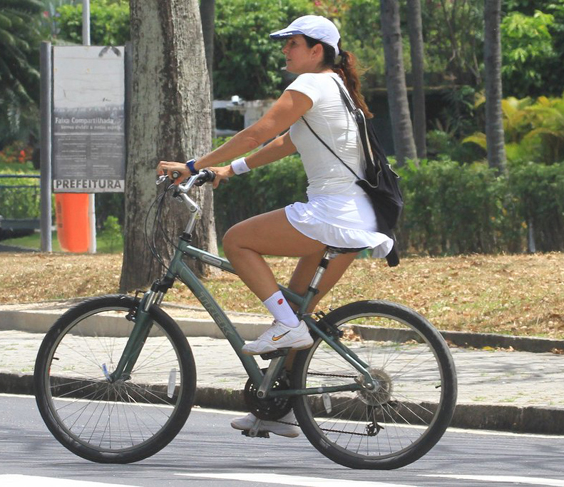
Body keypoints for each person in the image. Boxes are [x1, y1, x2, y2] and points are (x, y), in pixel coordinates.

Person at [156, 15, 393, 437]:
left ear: (317, 50)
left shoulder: (311, 85)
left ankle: (285, 326)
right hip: (356, 218)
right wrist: (228, 171)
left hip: (330, 215)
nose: (285, 50)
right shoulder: (335, 86)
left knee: (237, 241)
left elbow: (259, 132)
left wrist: (195, 165)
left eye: (293, 43)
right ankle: (279, 408)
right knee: (298, 309)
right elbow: (285, 142)